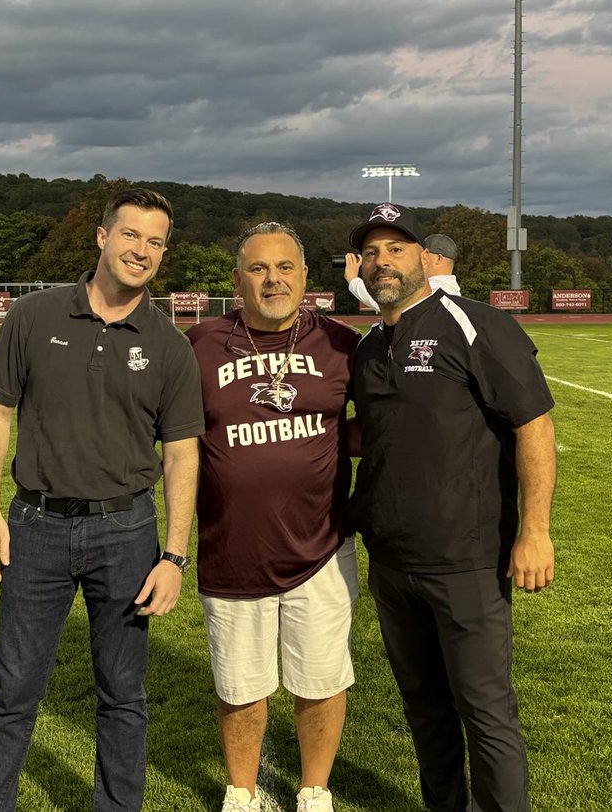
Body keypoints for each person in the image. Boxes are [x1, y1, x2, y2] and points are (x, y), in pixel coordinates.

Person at [0, 187, 204, 812]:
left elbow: (183, 452)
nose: (143, 251)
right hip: (35, 526)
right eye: (132, 235)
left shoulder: (169, 343)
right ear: (102, 237)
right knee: (14, 690)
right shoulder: (35, 315)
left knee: (123, 693)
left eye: (156, 242)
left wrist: (174, 556)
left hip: (127, 533)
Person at [346, 203, 557, 812]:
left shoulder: (474, 325)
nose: (383, 262)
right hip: (391, 561)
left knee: (485, 712)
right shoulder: (368, 347)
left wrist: (535, 532)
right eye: (371, 253)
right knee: (425, 710)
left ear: (425, 259)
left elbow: (534, 426)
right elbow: (377, 432)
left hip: (467, 559)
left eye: (397, 248)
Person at [186, 223, 360, 812]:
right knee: (241, 686)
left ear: (306, 276)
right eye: (258, 269)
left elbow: (379, 425)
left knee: (321, 679)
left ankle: (314, 789)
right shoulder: (201, 344)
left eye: (285, 267)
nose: (273, 279)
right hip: (231, 545)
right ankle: (242, 790)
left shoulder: (340, 343)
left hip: (322, 547)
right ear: (237, 280)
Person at [344, 231, 461, 313]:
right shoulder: (451, 290)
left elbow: (392, 304)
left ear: (438, 259)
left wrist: (353, 280)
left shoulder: (437, 291)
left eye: (425, 255)